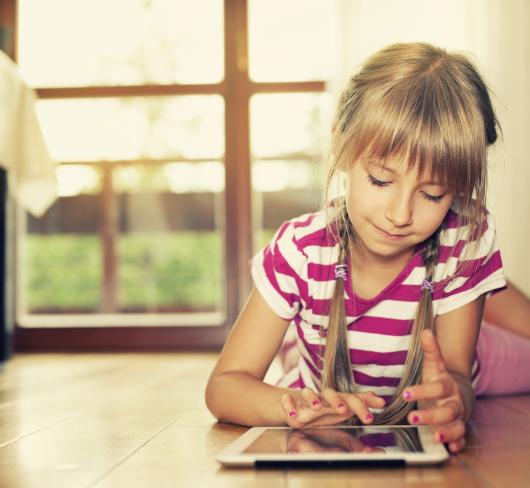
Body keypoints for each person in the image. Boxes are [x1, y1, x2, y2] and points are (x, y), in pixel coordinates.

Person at [205, 42, 530, 455]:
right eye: (380, 180)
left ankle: (479, 290)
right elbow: (224, 386)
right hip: (332, 343)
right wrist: (293, 405)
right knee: (301, 358)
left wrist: (454, 398)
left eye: (431, 194)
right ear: (342, 144)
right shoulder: (299, 252)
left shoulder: (465, 236)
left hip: (471, 343)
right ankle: (297, 349)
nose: (399, 214)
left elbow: (458, 377)